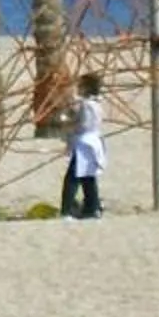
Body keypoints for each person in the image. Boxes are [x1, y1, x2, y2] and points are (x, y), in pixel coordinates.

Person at [62, 74, 106, 219]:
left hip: (85, 142)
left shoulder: (87, 105)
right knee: (88, 177)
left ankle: (66, 210)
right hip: (93, 141)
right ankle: (92, 208)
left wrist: (69, 120)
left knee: (72, 178)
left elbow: (83, 124)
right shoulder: (96, 103)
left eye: (80, 86)